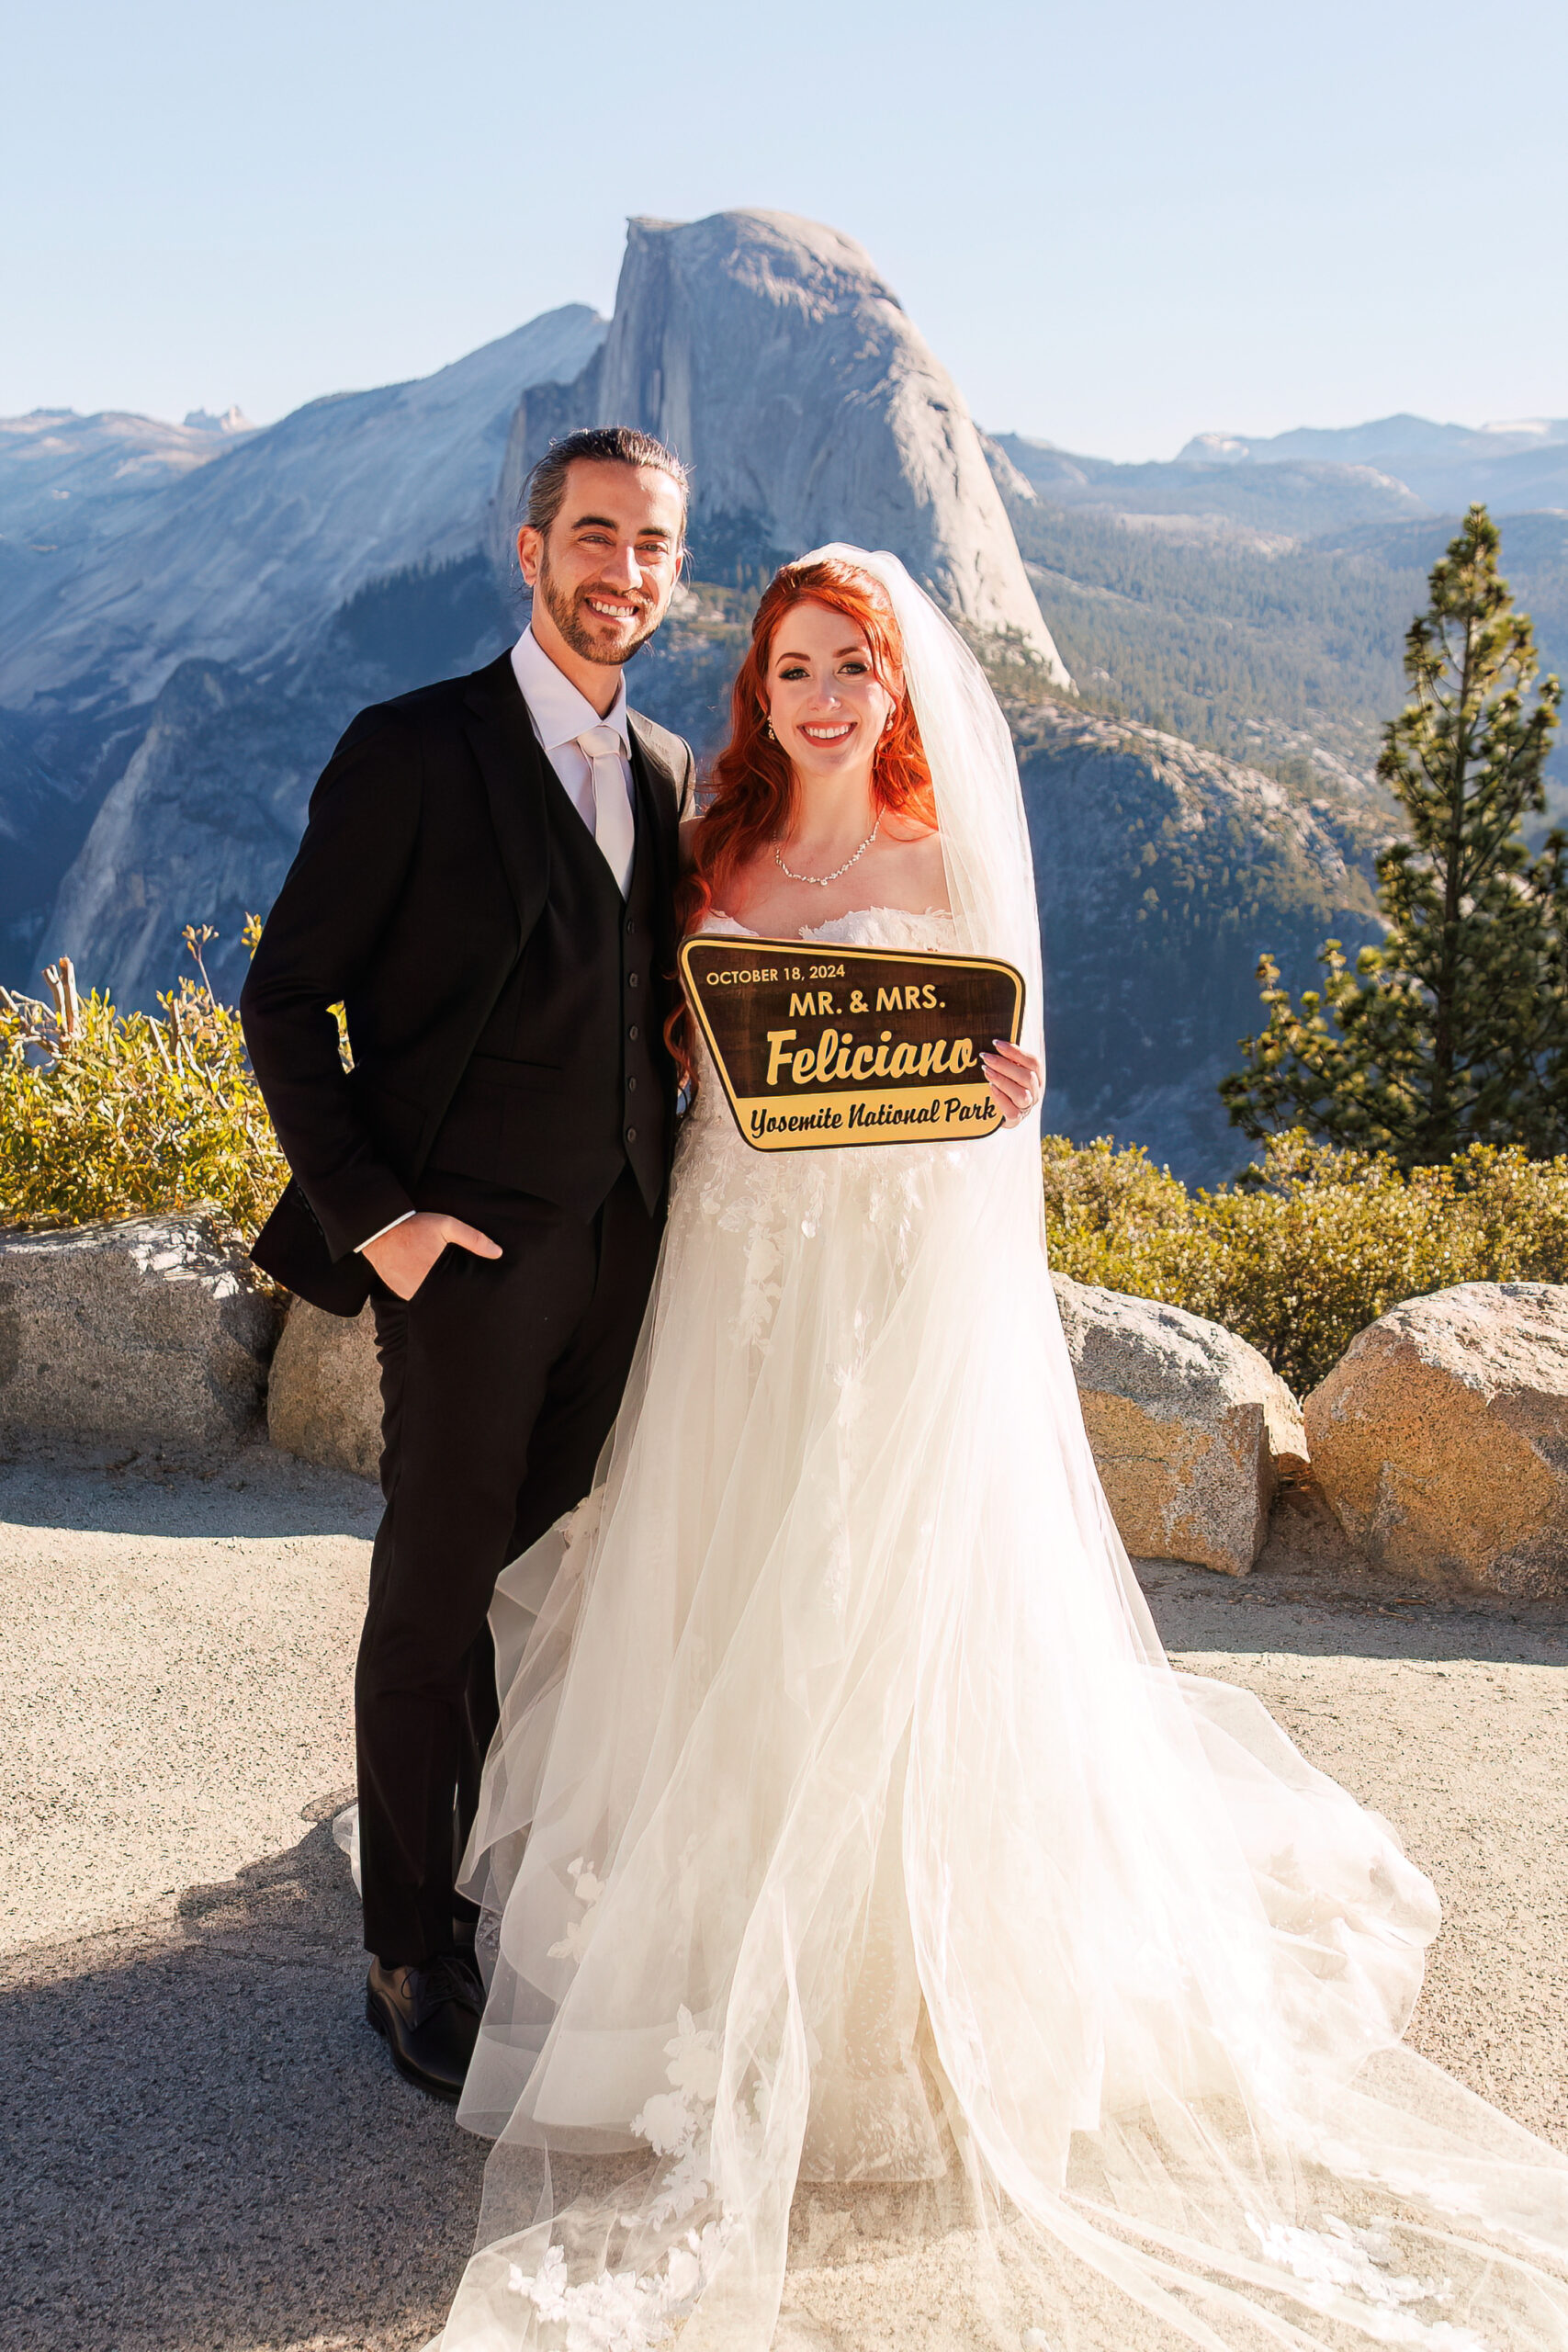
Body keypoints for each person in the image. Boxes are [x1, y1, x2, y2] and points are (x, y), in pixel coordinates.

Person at [427, 549, 1568, 2351]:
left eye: (851, 669)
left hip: (891, 1282)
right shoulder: (713, 847)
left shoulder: (943, 851)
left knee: (880, 1593)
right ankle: (709, 1934)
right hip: (742, 1283)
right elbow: (660, 1060)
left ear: (895, 688)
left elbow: (986, 1084)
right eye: (793, 667)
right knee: (736, 1577)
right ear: (762, 687)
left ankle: (897, 1963)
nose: (819, 697)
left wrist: (1001, 1100)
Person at [241, 426, 696, 2100]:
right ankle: (406, 1953)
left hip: (621, 1271)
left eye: (650, 547)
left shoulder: (663, 771)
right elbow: (287, 1001)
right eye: (593, 536)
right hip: (464, 1269)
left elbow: (684, 1018)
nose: (619, 573)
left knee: (531, 1590)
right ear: (529, 550)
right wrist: (383, 1222)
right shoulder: (411, 750)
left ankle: (492, 1885)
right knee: (431, 1603)